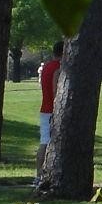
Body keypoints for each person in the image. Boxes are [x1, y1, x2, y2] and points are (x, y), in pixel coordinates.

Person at [37, 40, 63, 186]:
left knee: (44, 141)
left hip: (44, 108)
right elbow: (55, 90)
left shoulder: (46, 66)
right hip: (52, 110)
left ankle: (38, 174)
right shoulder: (58, 68)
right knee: (47, 142)